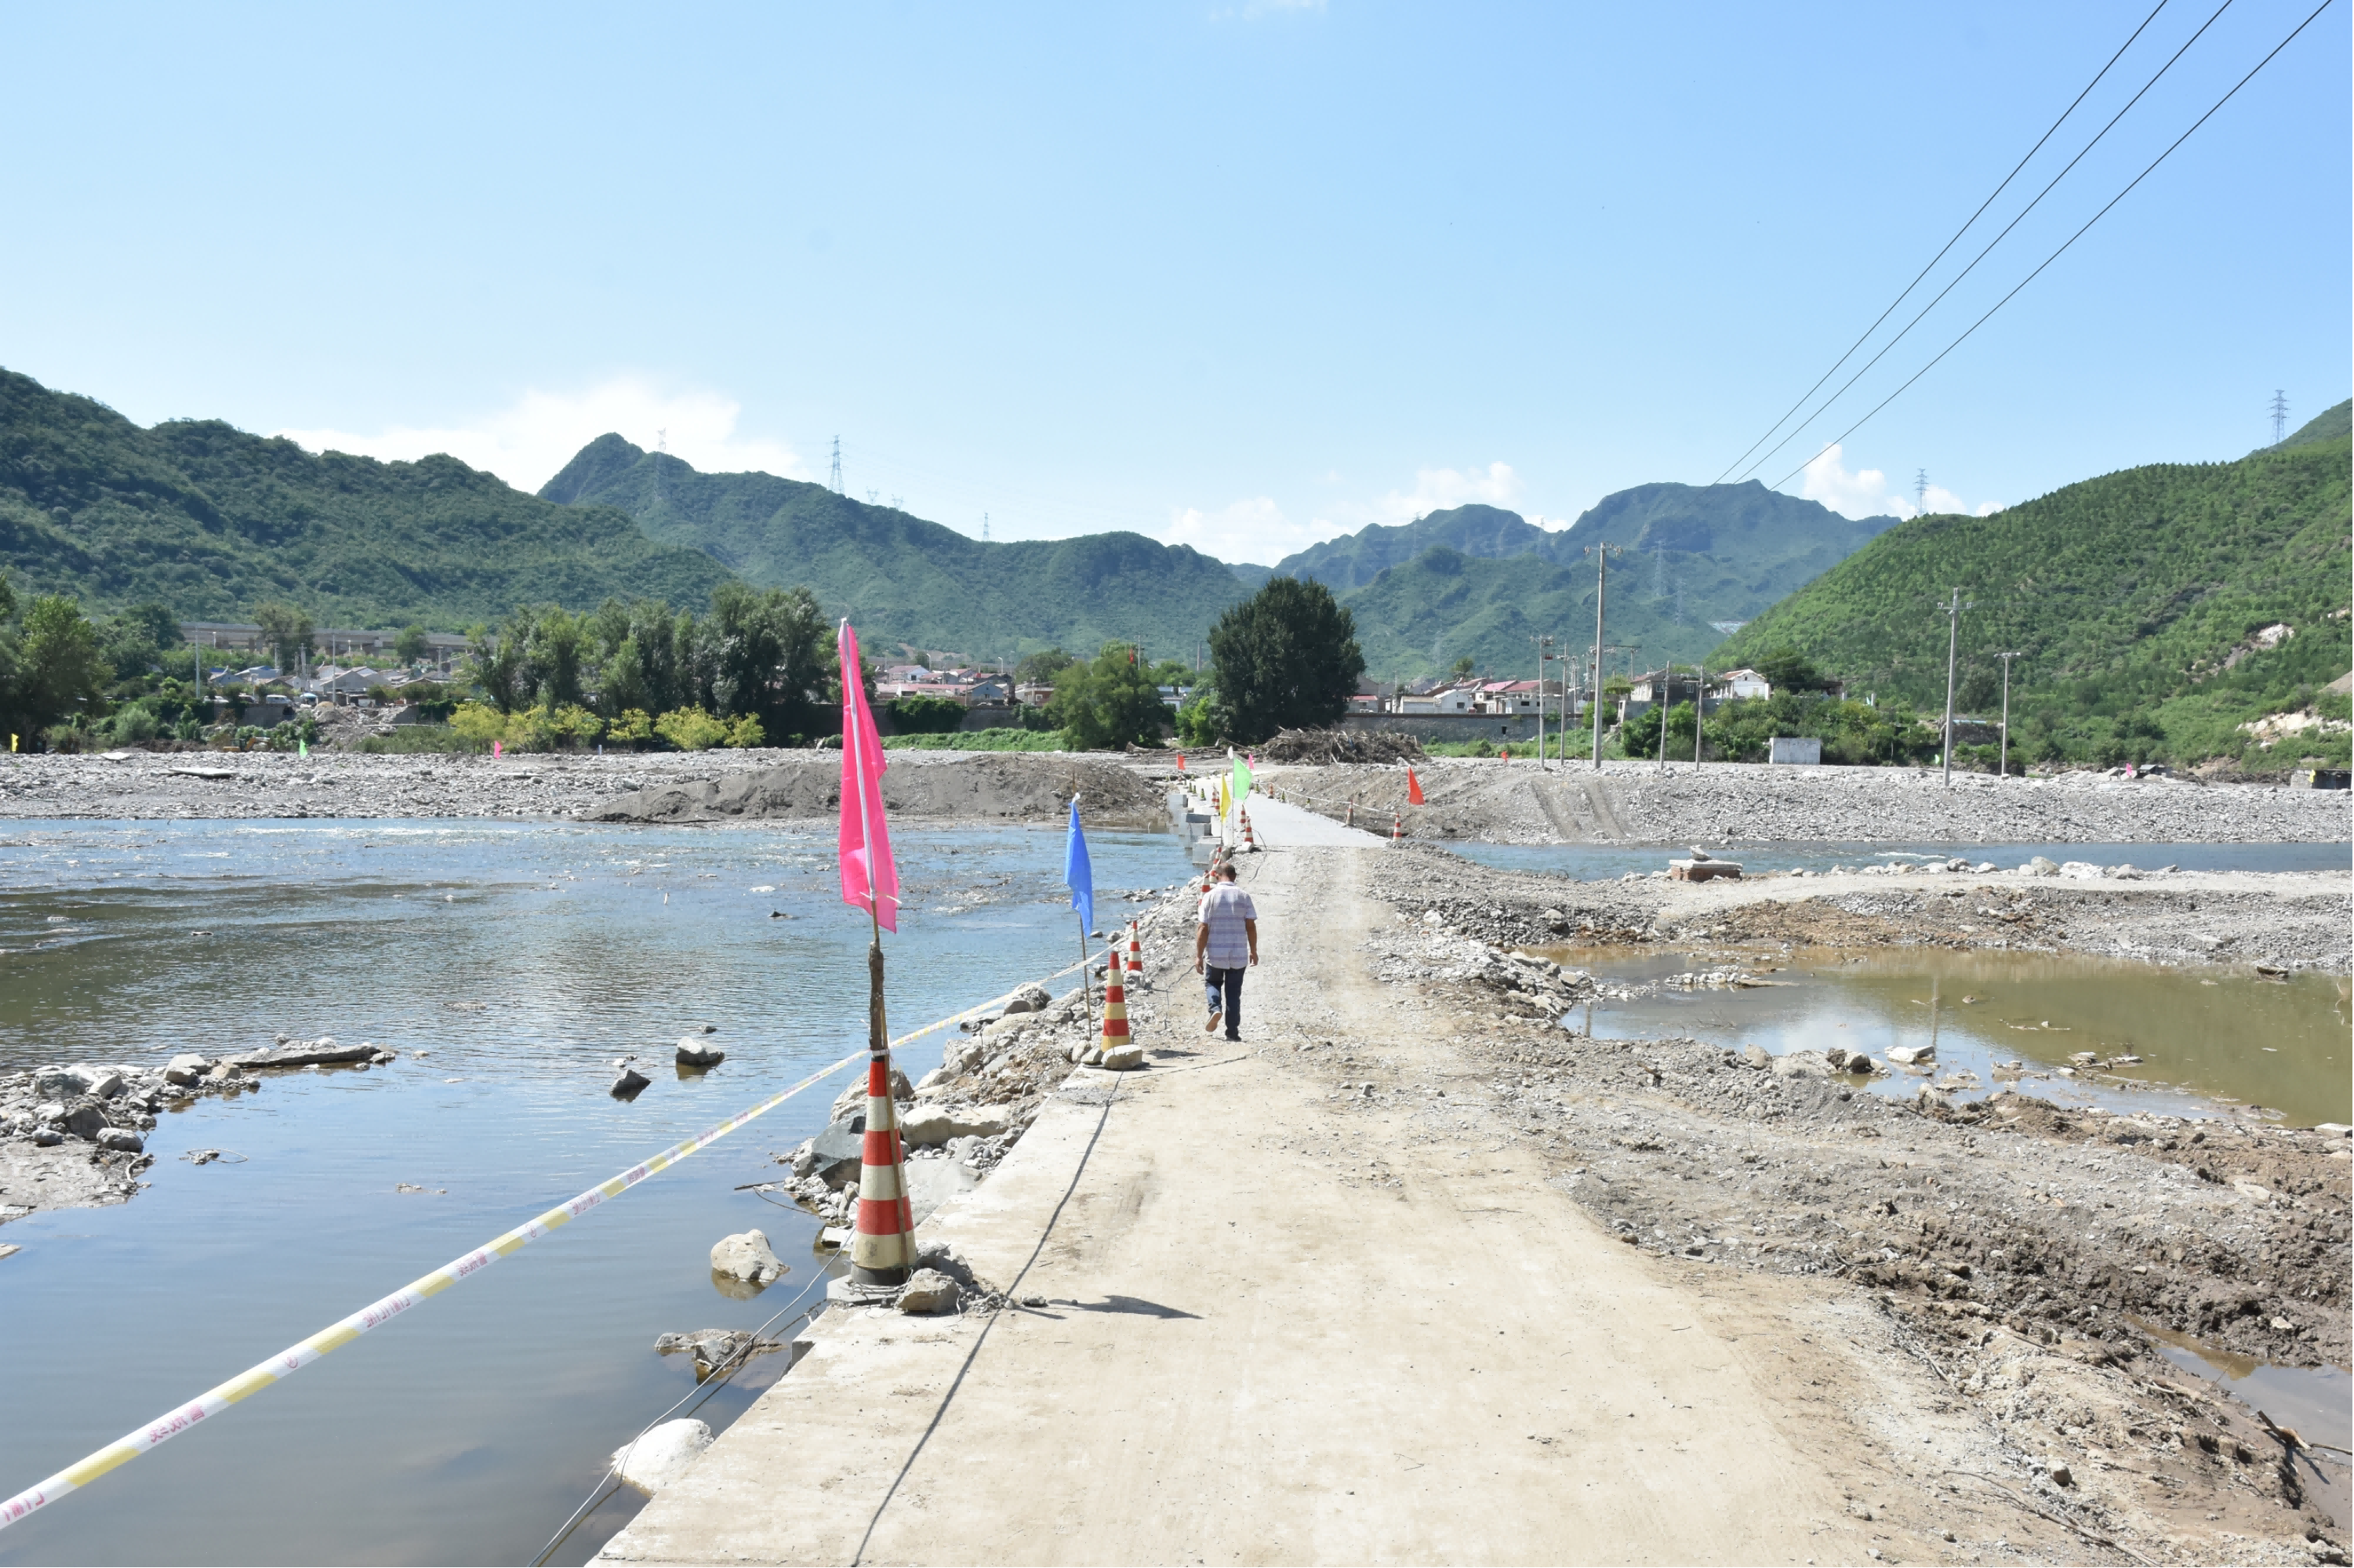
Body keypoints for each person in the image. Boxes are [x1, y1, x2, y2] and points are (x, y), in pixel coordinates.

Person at [1193, 861, 1257, 1040]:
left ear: (1216, 876)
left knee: (1212, 983)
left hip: (1215, 953)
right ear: (1235, 877)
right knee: (1234, 993)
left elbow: (1202, 928)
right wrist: (1254, 950)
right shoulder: (1244, 896)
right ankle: (1233, 1033)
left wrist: (1198, 956)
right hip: (1238, 954)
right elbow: (1251, 926)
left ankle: (1215, 1009)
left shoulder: (1210, 896)